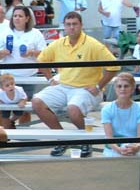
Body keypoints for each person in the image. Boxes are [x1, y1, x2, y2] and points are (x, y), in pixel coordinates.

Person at [32, 11, 120, 158]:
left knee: (73, 109)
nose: (71, 27)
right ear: (64, 26)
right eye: (68, 24)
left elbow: (114, 66)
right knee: (37, 102)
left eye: (75, 24)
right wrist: (50, 79)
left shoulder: (93, 44)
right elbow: (41, 60)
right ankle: (62, 139)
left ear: (81, 25)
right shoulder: (59, 44)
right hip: (63, 85)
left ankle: (85, 140)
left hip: (86, 88)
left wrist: (98, 86)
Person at [0, 6, 47, 125]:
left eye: (20, 16)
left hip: (28, 76)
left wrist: (31, 53)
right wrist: (2, 53)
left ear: (27, 18)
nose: (17, 18)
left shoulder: (35, 33)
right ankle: (6, 132)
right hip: (7, 77)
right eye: (15, 16)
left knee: (24, 107)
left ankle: (23, 132)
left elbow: (45, 53)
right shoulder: (4, 32)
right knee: (3, 107)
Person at [101, 72, 140, 157]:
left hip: (134, 148)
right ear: (115, 88)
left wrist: (136, 147)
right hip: (113, 148)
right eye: (119, 86)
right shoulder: (107, 109)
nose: (122, 89)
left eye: (126, 86)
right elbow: (109, 138)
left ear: (133, 88)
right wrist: (119, 150)